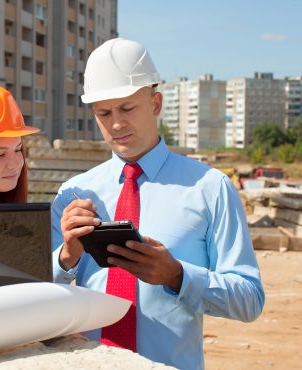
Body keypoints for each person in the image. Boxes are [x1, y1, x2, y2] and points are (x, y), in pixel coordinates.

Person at [51, 38, 264, 369]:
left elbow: (249, 299)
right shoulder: (73, 195)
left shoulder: (210, 189)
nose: (116, 124)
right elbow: (39, 302)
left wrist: (178, 276)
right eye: (103, 113)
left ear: (156, 103)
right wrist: (66, 258)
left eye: (127, 108)